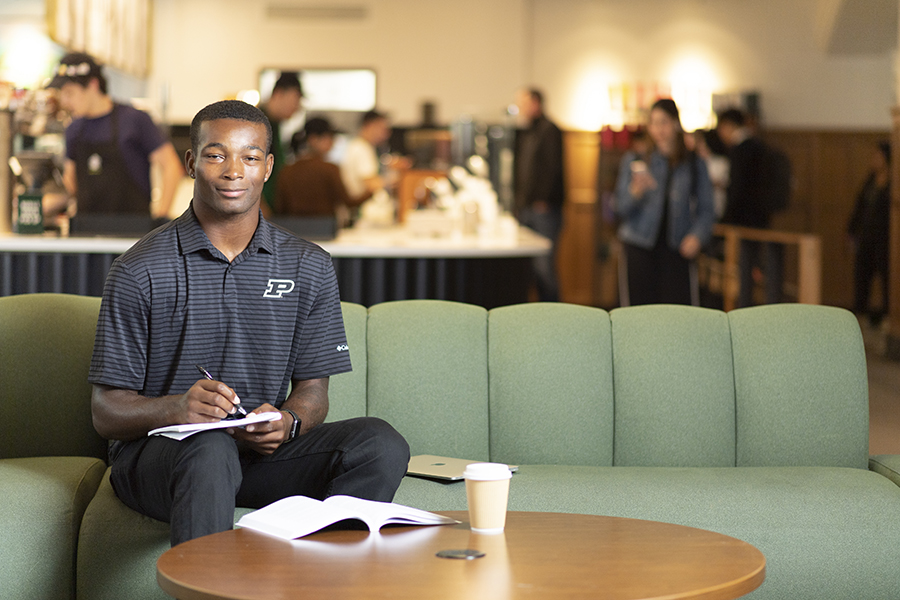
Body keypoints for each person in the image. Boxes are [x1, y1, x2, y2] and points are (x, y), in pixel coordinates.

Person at [88, 100, 410, 547]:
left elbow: (314, 392)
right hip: (161, 459)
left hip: (260, 457)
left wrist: (289, 421)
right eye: (216, 155)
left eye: (250, 157)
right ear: (191, 162)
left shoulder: (309, 266)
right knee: (209, 446)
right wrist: (177, 409)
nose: (233, 171)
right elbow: (106, 412)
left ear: (268, 166)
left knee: (379, 442)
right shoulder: (139, 269)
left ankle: (328, 581)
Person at [48, 52, 183, 221]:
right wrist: (42, 206)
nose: (65, 102)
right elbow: (71, 184)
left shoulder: (134, 119)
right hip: (85, 231)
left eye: (69, 93)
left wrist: (161, 219)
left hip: (133, 232)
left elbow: (171, 167)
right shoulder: (74, 129)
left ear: (93, 85)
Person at [614, 98, 716, 306]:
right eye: (653, 123)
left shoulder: (694, 162)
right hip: (639, 244)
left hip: (677, 248)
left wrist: (697, 236)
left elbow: (707, 209)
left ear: (675, 124)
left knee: (677, 315)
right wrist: (635, 191)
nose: (659, 129)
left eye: (664, 122)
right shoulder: (636, 159)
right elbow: (618, 207)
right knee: (637, 314)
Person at [716, 107, 782, 306]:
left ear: (727, 126)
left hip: (743, 221)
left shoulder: (740, 149)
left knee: (744, 270)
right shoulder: (760, 146)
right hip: (762, 218)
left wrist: (725, 219)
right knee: (758, 267)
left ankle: (742, 312)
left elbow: (737, 189)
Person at [514, 88, 565, 302]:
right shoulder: (528, 131)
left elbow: (552, 168)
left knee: (544, 267)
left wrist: (543, 200)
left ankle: (553, 316)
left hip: (543, 209)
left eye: (524, 103)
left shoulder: (550, 130)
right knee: (530, 269)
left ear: (536, 104)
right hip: (526, 207)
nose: (521, 108)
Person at [275, 117, 361, 220]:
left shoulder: (286, 171)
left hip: (293, 230)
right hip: (325, 229)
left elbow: (280, 208)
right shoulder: (330, 169)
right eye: (329, 138)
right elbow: (348, 202)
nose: (332, 143)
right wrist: (371, 191)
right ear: (313, 139)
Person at [847, 140, 891, 326]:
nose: (874, 160)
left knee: (887, 280)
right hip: (866, 238)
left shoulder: (893, 183)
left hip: (885, 241)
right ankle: (861, 317)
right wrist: (851, 231)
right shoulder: (870, 180)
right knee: (861, 278)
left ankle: (888, 317)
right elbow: (859, 208)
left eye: (877, 156)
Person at [260, 72, 304, 213]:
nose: (296, 107)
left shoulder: (276, 126)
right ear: (279, 94)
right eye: (295, 100)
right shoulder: (258, 123)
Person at [340, 109, 392, 206]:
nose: (386, 135)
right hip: (358, 206)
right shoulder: (362, 149)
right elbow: (371, 184)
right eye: (383, 129)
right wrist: (396, 180)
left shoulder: (358, 145)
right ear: (370, 126)